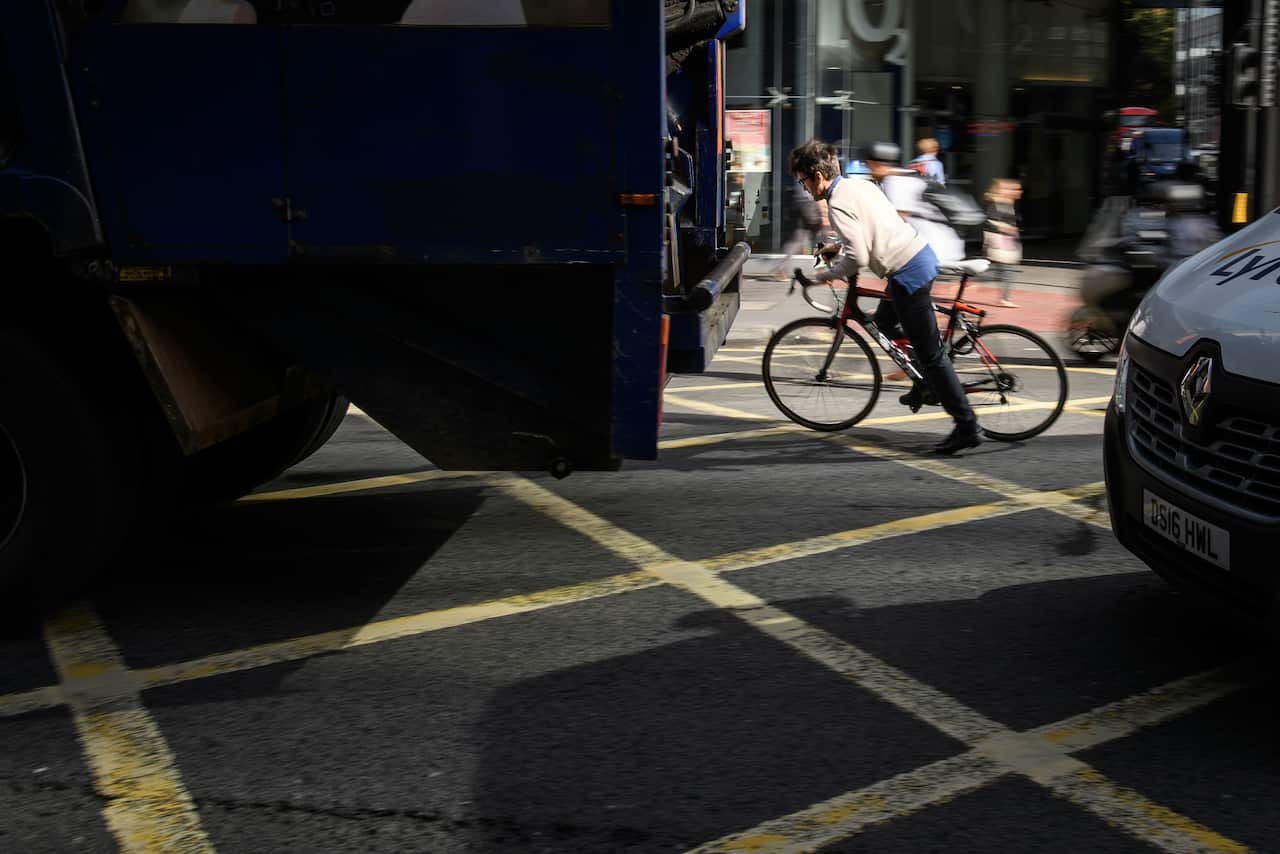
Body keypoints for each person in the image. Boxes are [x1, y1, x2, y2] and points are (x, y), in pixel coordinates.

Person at [791, 139, 982, 454]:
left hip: (908, 273)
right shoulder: (859, 187)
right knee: (883, 324)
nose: (805, 188)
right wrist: (836, 248)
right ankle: (923, 382)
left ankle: (967, 425)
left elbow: (860, 258)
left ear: (818, 177)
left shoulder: (837, 204)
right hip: (914, 258)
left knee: (933, 355)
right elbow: (871, 229)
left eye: (803, 181)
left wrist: (824, 275)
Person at [861, 142, 965, 265]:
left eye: (867, 166)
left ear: (874, 164)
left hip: (932, 249)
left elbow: (898, 221)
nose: (868, 171)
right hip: (945, 245)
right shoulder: (907, 176)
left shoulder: (895, 182)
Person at [771, 182, 825, 279]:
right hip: (811, 206)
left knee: (802, 241)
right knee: (812, 240)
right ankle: (781, 267)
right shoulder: (807, 178)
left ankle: (780, 267)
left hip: (810, 207)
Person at [983, 178, 1023, 307]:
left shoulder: (1007, 203)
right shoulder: (996, 203)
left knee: (1003, 270)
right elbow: (988, 221)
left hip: (1005, 242)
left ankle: (1005, 298)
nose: (1017, 191)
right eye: (1012, 189)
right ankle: (1005, 299)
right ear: (1000, 190)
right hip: (1000, 242)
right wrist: (1004, 228)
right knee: (1006, 271)